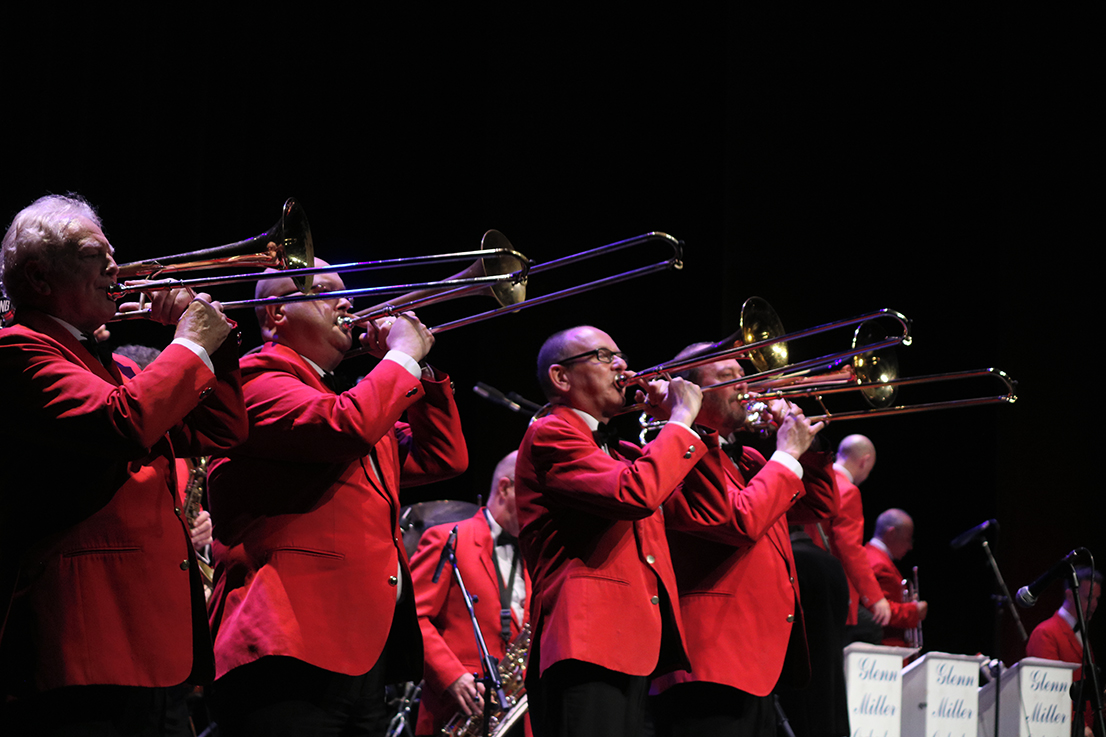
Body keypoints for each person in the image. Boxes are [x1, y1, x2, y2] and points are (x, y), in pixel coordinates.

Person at [0, 193, 246, 734]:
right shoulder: (17, 350)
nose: (116, 265)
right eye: (95, 253)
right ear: (40, 278)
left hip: (150, 645)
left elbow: (221, 430)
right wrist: (189, 344)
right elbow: (124, 423)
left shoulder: (106, 366)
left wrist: (217, 348)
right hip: (85, 644)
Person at [204, 259, 467, 736]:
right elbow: (347, 426)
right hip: (286, 646)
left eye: (345, 292)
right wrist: (399, 359)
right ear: (275, 314)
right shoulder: (256, 380)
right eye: (323, 290)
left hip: (359, 652)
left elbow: (442, 457)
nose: (347, 302)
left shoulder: (344, 399)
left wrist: (419, 366)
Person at [515, 325, 735, 737]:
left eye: (620, 355)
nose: (622, 365)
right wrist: (681, 420)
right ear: (561, 377)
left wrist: (688, 422)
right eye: (603, 355)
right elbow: (636, 492)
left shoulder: (618, 452)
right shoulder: (551, 432)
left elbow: (710, 510)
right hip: (586, 646)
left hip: (632, 647)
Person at [650, 348, 838, 737]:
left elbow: (820, 504)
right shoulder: (673, 452)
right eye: (727, 376)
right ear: (691, 391)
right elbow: (738, 520)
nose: (745, 387)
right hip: (708, 664)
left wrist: (810, 448)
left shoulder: (750, 457)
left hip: (757, 664)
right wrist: (786, 455)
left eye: (744, 375)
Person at [409, 450, 531, 736]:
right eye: (533, 495)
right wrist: (452, 677)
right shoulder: (448, 537)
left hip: (514, 715)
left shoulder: (533, 552)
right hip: (455, 711)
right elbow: (413, 618)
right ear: (505, 487)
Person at [805, 434, 891, 641]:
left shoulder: (815, 480)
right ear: (865, 461)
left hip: (803, 578)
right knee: (869, 629)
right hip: (829, 588)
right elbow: (851, 549)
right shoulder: (847, 491)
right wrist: (875, 598)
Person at [1026, 566, 1101, 737]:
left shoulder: (1082, 636)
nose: (1094, 604)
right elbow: (1049, 694)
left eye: (1097, 598)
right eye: (1088, 597)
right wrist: (1077, 726)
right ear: (1069, 595)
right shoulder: (1046, 633)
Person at [864, 509, 928, 648]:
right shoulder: (878, 563)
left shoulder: (870, 555)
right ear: (891, 533)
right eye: (907, 539)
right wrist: (914, 611)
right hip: (886, 647)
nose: (910, 546)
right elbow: (879, 610)